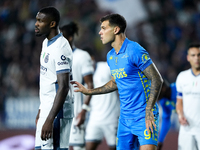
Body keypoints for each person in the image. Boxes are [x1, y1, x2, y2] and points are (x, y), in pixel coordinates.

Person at [71, 14, 163, 150]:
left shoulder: (135, 50)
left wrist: (149, 109)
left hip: (143, 117)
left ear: (115, 30)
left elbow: (156, 78)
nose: (99, 32)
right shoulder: (111, 56)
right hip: (124, 119)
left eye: (103, 28)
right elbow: (114, 83)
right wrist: (89, 91)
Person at [34, 6, 74, 150]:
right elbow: (48, 79)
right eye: (36, 20)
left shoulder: (60, 48)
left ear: (52, 24)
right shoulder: (46, 43)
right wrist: (41, 110)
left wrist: (50, 119)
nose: (36, 24)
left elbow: (63, 87)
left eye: (40, 21)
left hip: (58, 113)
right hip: (46, 109)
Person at [60, 22, 94, 150]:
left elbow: (90, 84)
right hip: (58, 113)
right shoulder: (55, 56)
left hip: (75, 113)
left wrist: (84, 110)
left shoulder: (82, 56)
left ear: (70, 38)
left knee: (79, 148)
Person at [84, 47, 120, 150]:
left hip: (112, 118)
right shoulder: (83, 76)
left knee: (115, 147)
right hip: (95, 118)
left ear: (92, 58)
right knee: (89, 147)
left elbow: (120, 80)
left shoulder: (105, 67)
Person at [176, 43, 200, 150]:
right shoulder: (182, 77)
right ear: (188, 57)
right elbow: (179, 102)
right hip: (187, 128)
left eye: (199, 55)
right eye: (193, 55)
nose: (196, 58)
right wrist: (180, 115)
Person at [157, 80, 177, 150]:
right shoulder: (163, 101)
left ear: (163, 89)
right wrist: (160, 141)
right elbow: (166, 119)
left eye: (156, 91)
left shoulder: (179, 88)